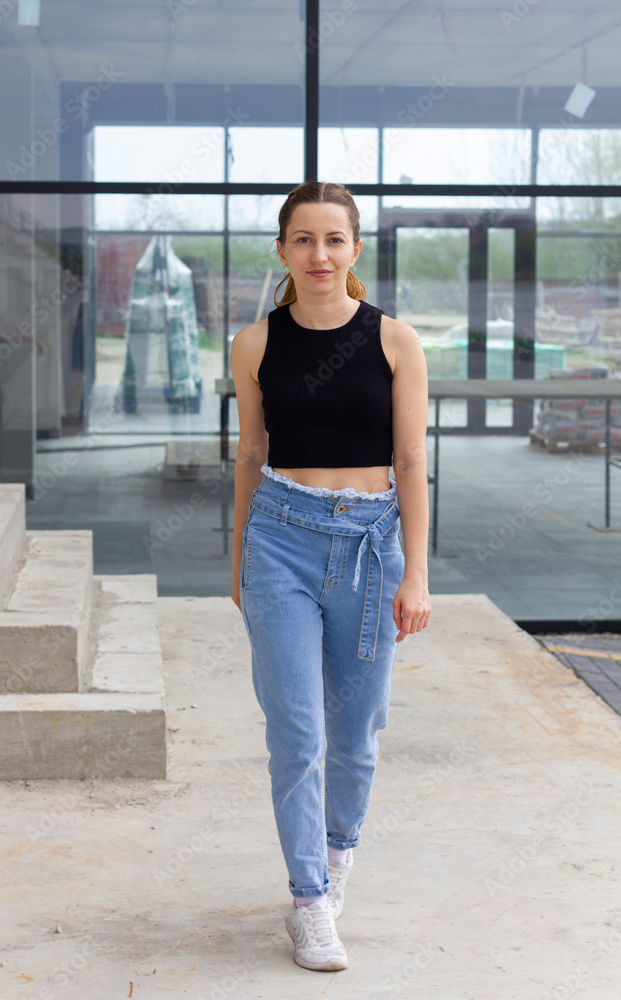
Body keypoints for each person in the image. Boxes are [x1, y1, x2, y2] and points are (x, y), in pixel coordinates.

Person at [230, 181, 431, 972]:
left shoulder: (394, 341)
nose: (319, 254)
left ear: (354, 250)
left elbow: (412, 460)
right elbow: (249, 455)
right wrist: (240, 556)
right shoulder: (254, 344)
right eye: (303, 239)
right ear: (282, 250)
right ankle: (309, 900)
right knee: (296, 733)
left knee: (356, 732)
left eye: (333, 240)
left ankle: (338, 852)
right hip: (278, 538)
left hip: (371, 546)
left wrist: (416, 574)